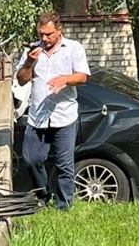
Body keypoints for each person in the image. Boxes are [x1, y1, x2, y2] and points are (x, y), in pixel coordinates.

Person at [16, 11, 91, 210]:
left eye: (48, 34)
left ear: (59, 30)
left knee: (64, 165)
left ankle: (63, 207)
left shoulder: (73, 48)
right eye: (41, 34)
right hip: (38, 116)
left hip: (64, 116)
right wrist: (29, 62)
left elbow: (83, 77)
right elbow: (22, 79)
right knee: (31, 159)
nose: (44, 38)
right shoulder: (32, 50)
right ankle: (43, 196)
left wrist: (65, 79)